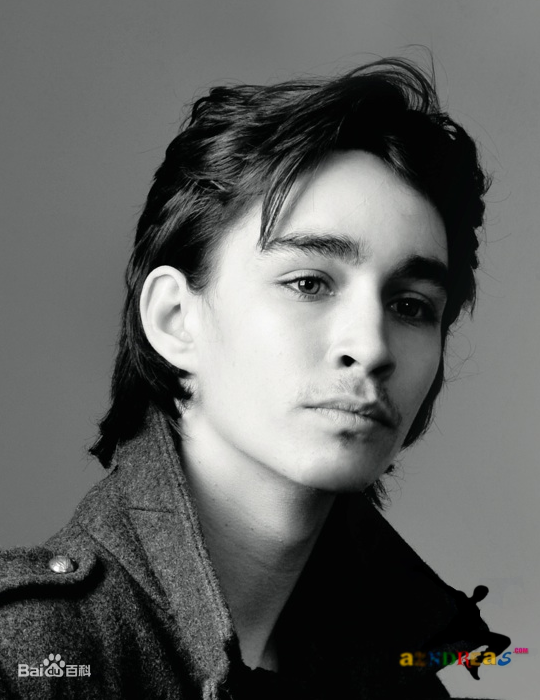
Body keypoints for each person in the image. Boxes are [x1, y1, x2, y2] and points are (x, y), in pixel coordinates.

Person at [0, 58, 510, 699]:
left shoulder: (407, 676)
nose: (372, 347)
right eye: (309, 283)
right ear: (175, 319)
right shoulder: (31, 656)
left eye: (411, 306)